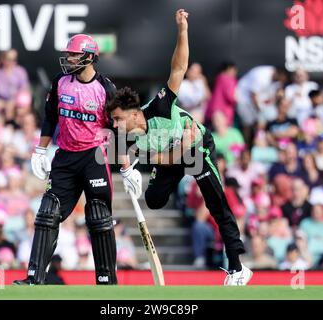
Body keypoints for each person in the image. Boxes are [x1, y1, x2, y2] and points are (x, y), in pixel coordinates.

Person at [107, 9, 252, 285]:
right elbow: (156, 157)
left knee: (217, 204)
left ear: (134, 113)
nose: (115, 125)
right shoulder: (128, 136)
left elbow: (178, 68)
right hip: (175, 156)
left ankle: (237, 268)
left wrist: (182, 31)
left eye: (117, 119)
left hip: (197, 147)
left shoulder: (160, 105)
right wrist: (127, 171)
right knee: (154, 200)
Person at [14, 33, 141, 285]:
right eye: (69, 54)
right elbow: (50, 117)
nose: (69, 58)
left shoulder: (106, 88)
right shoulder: (60, 82)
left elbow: (118, 130)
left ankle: (106, 281)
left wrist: (126, 168)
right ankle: (34, 279)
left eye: (74, 54)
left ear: (90, 57)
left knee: (98, 217)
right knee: (48, 213)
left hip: (93, 157)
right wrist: (40, 150)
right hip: (65, 157)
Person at [205, 61, 237, 126]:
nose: (235, 73)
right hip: (223, 113)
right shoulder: (229, 79)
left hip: (212, 111)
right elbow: (230, 97)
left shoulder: (218, 78)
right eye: (234, 70)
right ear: (229, 69)